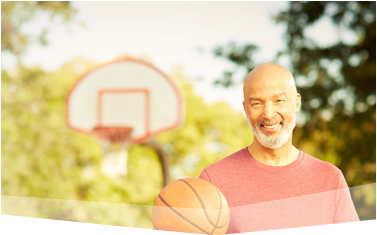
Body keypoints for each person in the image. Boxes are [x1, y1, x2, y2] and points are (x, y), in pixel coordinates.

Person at [198, 63, 359, 233]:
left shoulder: (330, 179)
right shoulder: (213, 181)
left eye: (278, 101)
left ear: (296, 103)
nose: (268, 114)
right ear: (246, 109)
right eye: (257, 104)